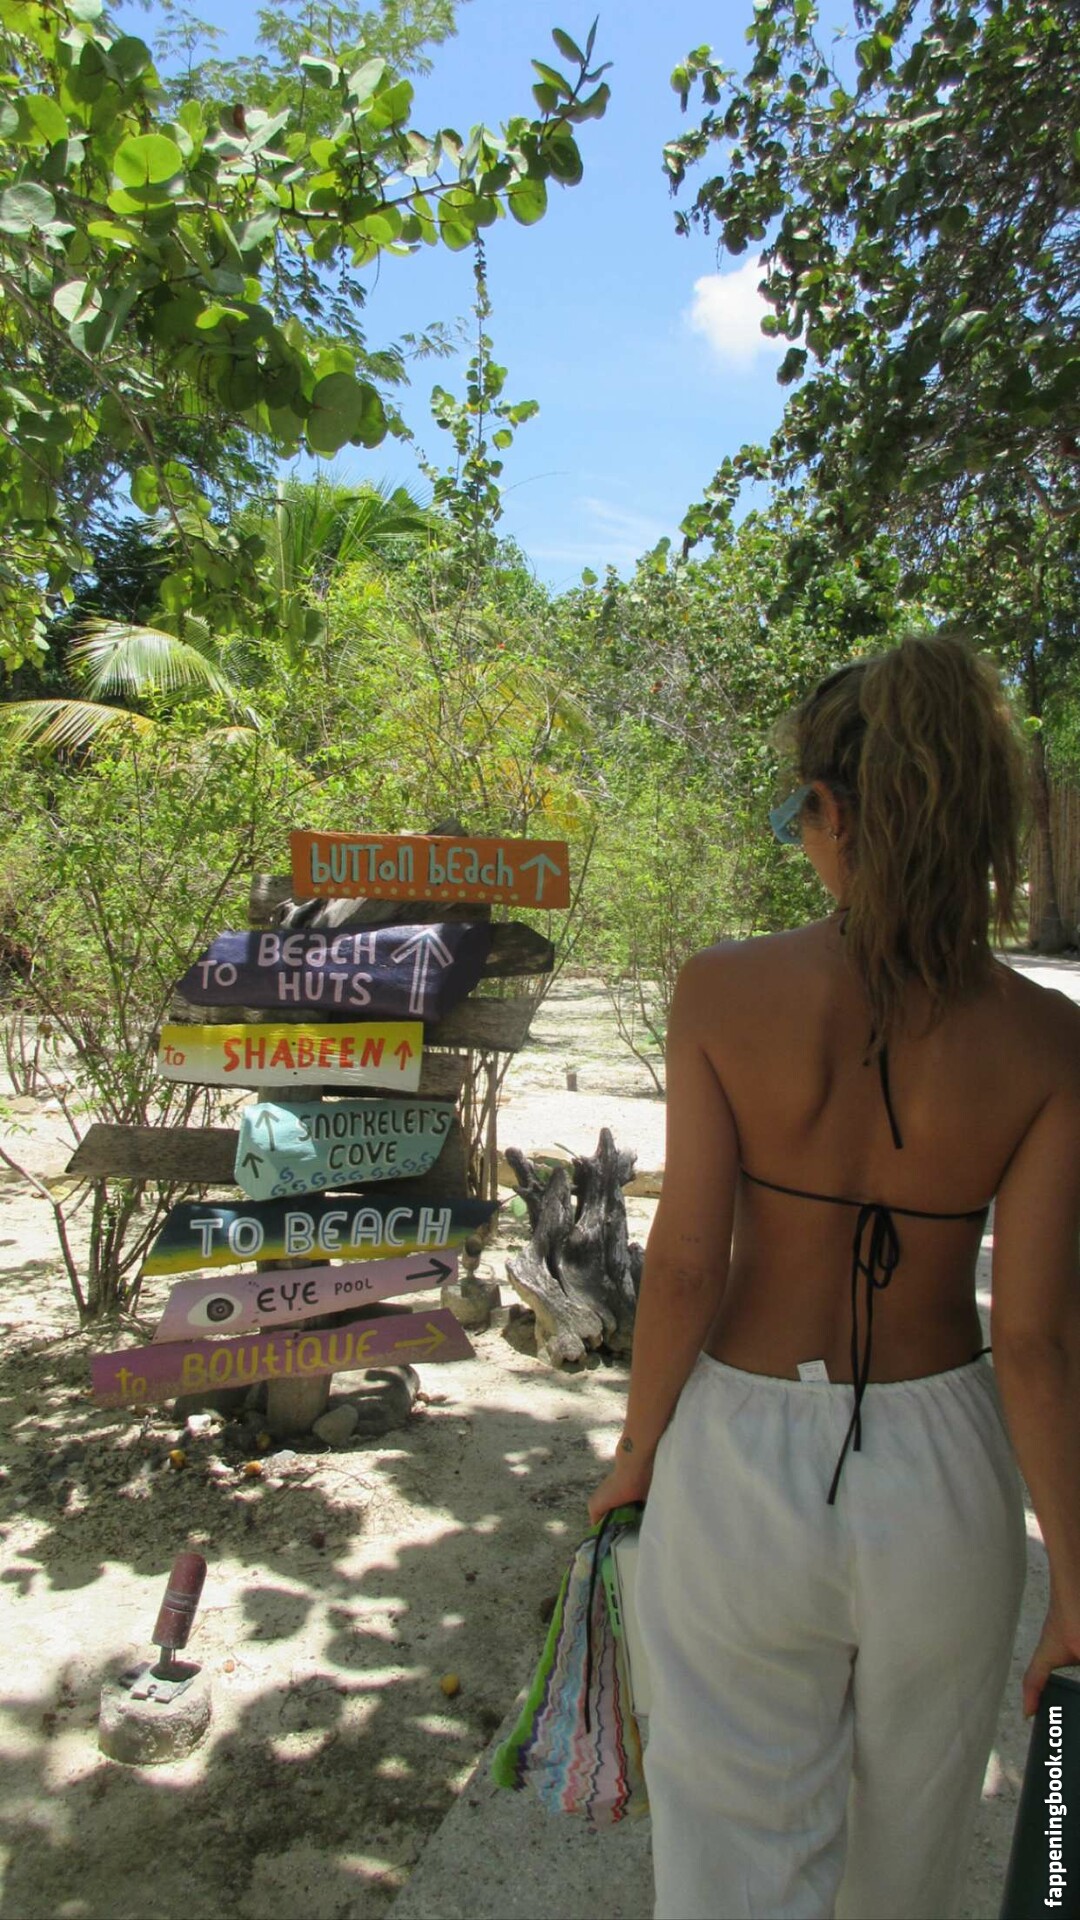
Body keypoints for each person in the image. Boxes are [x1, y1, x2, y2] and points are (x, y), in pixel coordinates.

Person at [588, 633, 1080, 1920]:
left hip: (740, 1457)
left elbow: (683, 1266)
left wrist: (637, 1453)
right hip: (945, 1471)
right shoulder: (1051, 1043)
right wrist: (1078, 1584)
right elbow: (1035, 1343)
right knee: (911, 1846)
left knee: (728, 1851)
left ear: (837, 811)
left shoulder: (722, 991)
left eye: (798, 811)